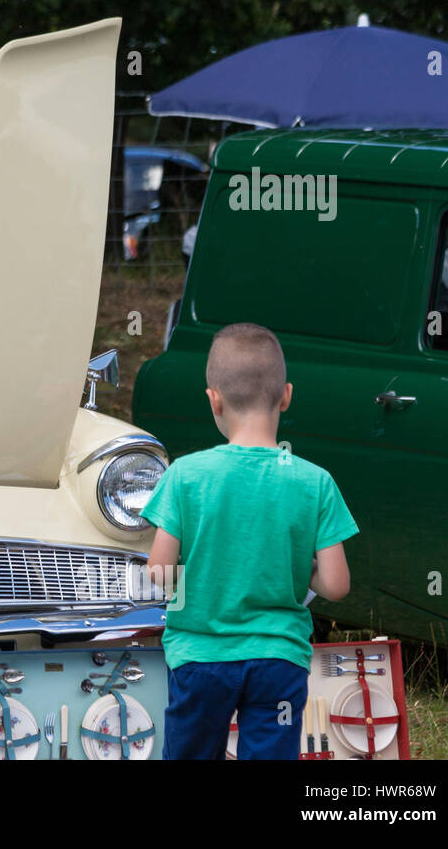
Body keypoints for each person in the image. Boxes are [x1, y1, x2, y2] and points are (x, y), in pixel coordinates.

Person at [142, 322, 358, 759]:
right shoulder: (315, 482)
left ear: (213, 398)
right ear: (286, 396)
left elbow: (160, 575)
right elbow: (336, 585)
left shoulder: (185, 475)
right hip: (278, 662)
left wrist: (204, 574)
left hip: (200, 659)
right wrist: (298, 565)